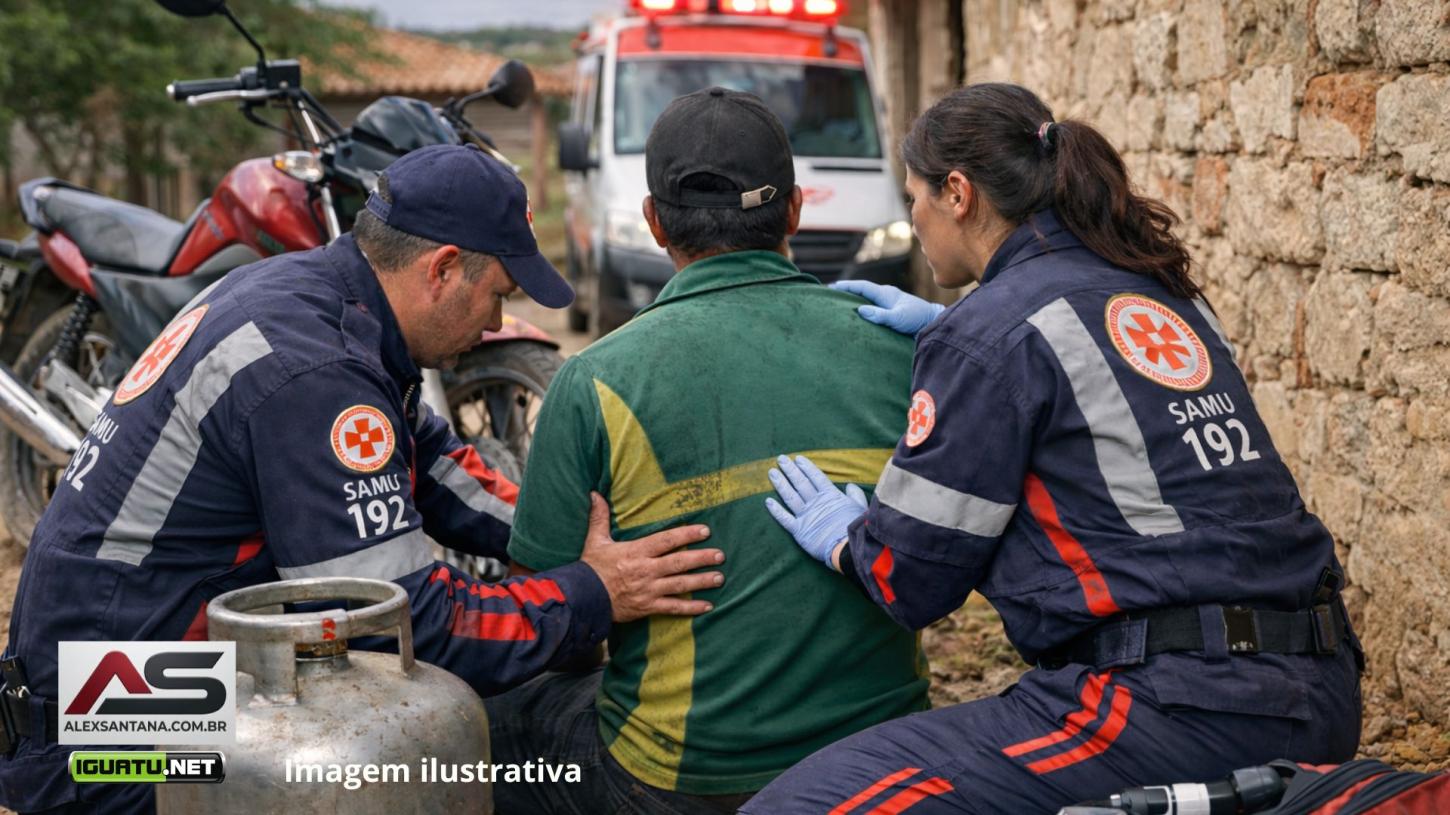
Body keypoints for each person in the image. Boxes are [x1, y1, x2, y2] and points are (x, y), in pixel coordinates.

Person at [0, 144, 724, 815]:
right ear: (442, 269)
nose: (497, 320)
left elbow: (437, 465)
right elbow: (405, 627)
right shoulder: (313, 370)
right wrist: (594, 592)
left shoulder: (322, 303)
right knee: (467, 755)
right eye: (498, 294)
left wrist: (572, 528)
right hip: (111, 734)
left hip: (118, 684)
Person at [752, 83, 1363, 814]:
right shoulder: (1163, 292)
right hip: (1321, 688)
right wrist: (959, 332)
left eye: (914, 198)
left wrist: (845, 539)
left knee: (801, 805)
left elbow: (908, 579)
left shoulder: (989, 334)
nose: (911, 220)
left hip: (1173, 707)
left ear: (958, 194)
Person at [483, 87, 930, 814]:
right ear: (794, 211)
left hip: (681, 783)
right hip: (884, 764)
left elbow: (550, 629)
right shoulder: (906, 346)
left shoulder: (595, 379)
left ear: (654, 221)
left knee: (474, 734)